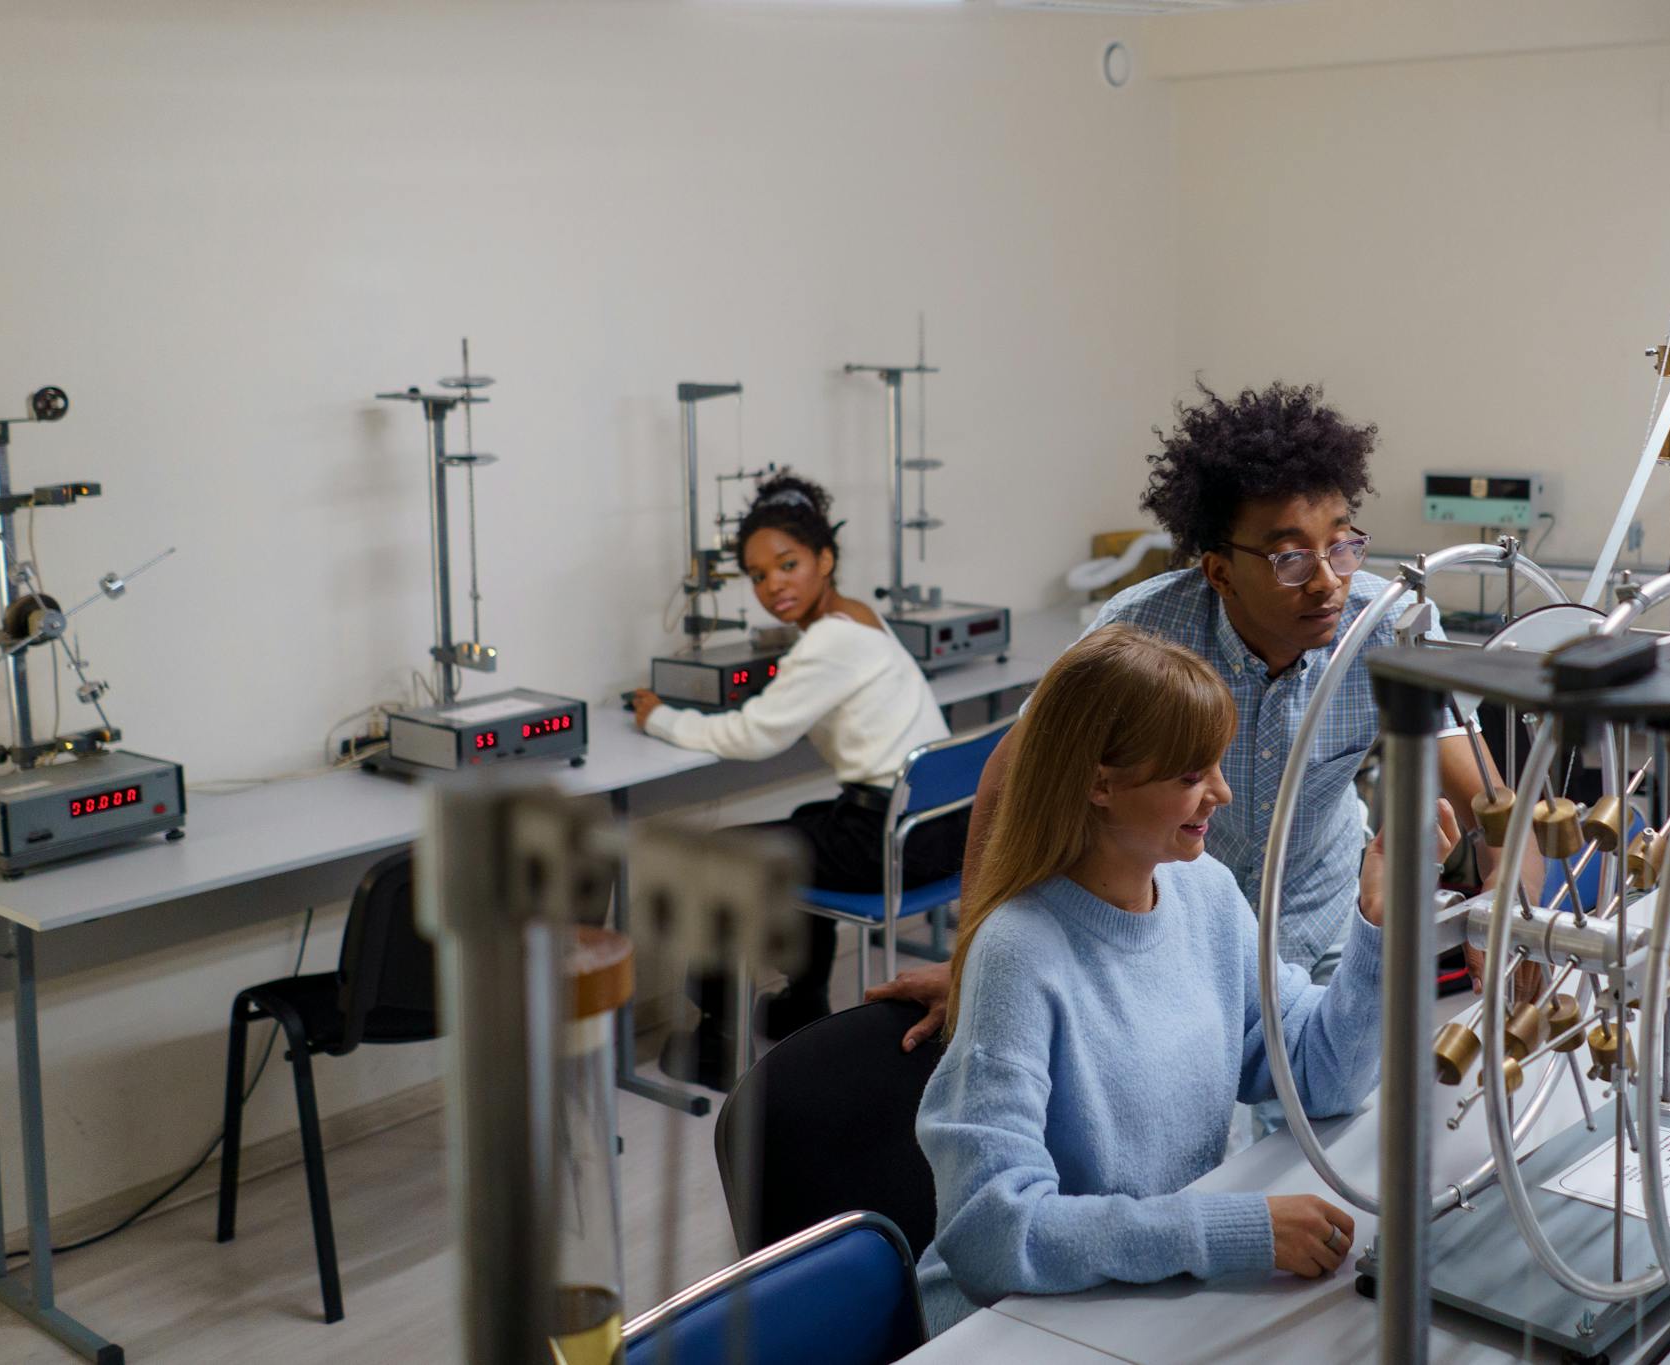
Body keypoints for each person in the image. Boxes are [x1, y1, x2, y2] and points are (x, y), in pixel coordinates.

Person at [872, 381, 1534, 1052]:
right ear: (1220, 572)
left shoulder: (1386, 624)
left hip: (1322, 920)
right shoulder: (1141, 630)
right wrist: (973, 963)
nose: (1328, 579)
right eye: (1290, 557)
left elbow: (1488, 800)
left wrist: (1513, 915)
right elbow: (1007, 778)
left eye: (1341, 545)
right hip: (1177, 936)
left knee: (1336, 1110)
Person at [912, 624, 1458, 1334]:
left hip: (1146, 1295)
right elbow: (992, 1232)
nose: (1223, 794)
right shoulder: (1019, 950)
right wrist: (1229, 1230)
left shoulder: (1203, 891)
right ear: (1099, 782)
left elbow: (1321, 1074)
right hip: (1016, 1322)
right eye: (1191, 776)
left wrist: (1378, 921)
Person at [632, 471, 965, 1090]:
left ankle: (716, 1039)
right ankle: (802, 999)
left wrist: (662, 718)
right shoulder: (860, 616)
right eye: (758, 576)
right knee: (807, 820)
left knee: (716, 853)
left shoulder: (828, 641)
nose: (773, 586)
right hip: (933, 829)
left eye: (787, 565)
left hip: (892, 844)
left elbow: (752, 737)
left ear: (825, 559)